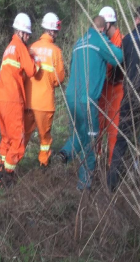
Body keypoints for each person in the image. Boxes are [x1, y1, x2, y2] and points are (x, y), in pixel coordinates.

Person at [56, 16, 123, 190]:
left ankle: (65, 153)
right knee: (91, 140)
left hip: (71, 97)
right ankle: (84, 185)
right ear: (104, 28)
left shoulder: (78, 43)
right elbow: (118, 57)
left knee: (79, 134)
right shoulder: (100, 41)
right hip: (87, 100)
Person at [107, 5, 140, 192]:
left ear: (136, 19)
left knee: (122, 138)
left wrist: (112, 80)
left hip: (130, 95)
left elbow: (118, 67)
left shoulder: (127, 39)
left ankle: (112, 180)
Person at [0, 13, 40, 187]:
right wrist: (35, 60)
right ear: (19, 32)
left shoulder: (8, 49)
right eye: (26, 33)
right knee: (18, 140)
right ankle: (8, 179)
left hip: (1, 99)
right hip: (12, 100)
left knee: (6, 139)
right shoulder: (19, 46)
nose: (28, 36)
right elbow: (31, 71)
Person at [24, 13, 65, 169]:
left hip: (28, 101)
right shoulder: (56, 51)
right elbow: (59, 79)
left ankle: (11, 167)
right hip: (44, 103)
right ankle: (43, 166)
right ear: (53, 30)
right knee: (45, 139)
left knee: (24, 136)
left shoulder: (31, 47)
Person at [97, 6, 124, 167]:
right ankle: (97, 161)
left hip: (116, 89)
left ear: (107, 25)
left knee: (113, 129)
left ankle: (111, 167)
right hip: (104, 89)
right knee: (99, 126)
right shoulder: (105, 41)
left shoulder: (121, 41)